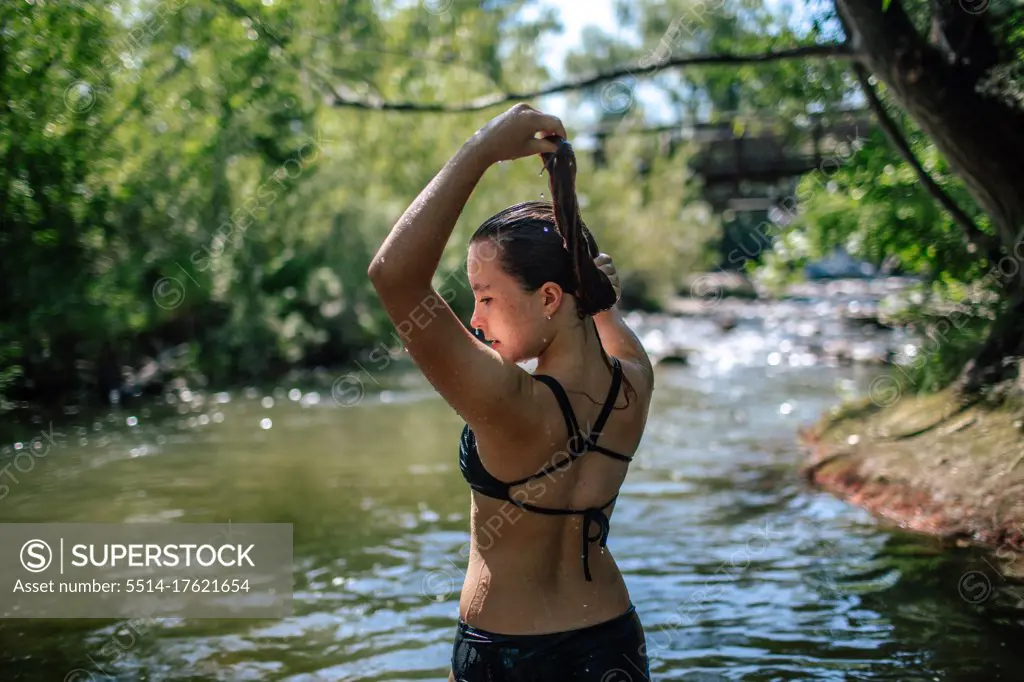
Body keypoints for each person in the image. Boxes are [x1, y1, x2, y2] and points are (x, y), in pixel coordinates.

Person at [368, 102, 655, 681]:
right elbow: (595, 305)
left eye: (486, 295)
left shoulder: (508, 403)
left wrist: (482, 149)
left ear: (548, 298)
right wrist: (594, 288)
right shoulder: (635, 380)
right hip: (612, 642)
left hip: (508, 656)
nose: (473, 318)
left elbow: (393, 275)